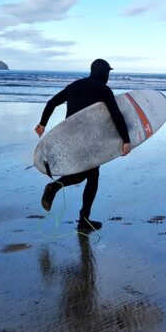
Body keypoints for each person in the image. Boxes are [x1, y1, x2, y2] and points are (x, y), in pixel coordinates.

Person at [34, 58, 130, 233]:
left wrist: (42, 124)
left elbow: (52, 102)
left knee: (81, 176)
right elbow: (116, 115)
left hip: (69, 139)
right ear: (105, 73)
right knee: (92, 179)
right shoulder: (104, 90)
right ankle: (82, 218)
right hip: (90, 142)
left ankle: (59, 192)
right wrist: (126, 140)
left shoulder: (75, 85)